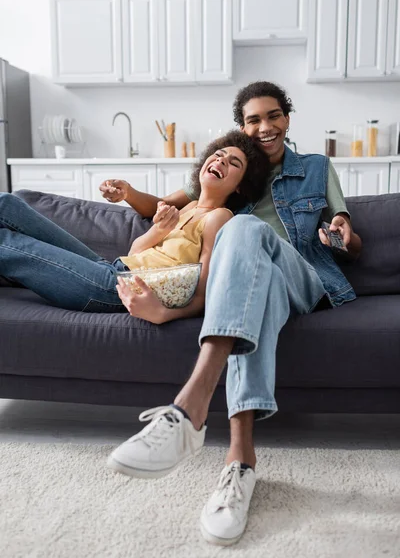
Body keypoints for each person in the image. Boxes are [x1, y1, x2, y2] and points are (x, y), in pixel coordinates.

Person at [103, 81, 363, 547]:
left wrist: (340, 230)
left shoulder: (317, 167)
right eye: (253, 120)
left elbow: (350, 237)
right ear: (241, 126)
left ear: (287, 117)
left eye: (273, 116)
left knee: (242, 227)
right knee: (245, 257)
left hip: (303, 275)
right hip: (255, 279)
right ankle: (239, 465)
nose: (264, 127)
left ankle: (189, 409)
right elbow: (169, 204)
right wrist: (128, 194)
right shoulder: (233, 167)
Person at [0, 131, 269, 316]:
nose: (221, 160)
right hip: (110, 268)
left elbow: (204, 292)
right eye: (219, 154)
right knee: (7, 204)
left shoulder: (220, 217)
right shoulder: (188, 207)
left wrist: (163, 314)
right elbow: (134, 252)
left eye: (233, 163)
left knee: (7, 243)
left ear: (240, 187)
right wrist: (160, 229)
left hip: (114, 290)